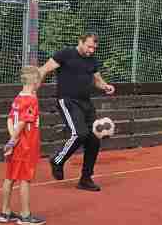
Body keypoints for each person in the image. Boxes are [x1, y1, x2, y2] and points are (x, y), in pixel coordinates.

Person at [45, 33, 116, 191]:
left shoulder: (92, 60)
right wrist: (31, 88)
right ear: (81, 42)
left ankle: (85, 179)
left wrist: (105, 86)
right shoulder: (65, 54)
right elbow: (44, 70)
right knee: (80, 133)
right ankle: (57, 160)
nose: (91, 50)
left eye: (94, 48)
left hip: (86, 103)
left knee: (94, 139)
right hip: (68, 101)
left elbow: (97, 80)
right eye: (89, 46)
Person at [0, 61, 55, 225]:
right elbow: (23, 122)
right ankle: (25, 215)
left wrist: (12, 139)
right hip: (26, 144)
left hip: (17, 142)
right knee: (25, 179)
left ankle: (5, 212)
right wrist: (13, 140)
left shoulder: (18, 98)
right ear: (35, 82)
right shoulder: (32, 100)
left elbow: (10, 119)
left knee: (10, 177)